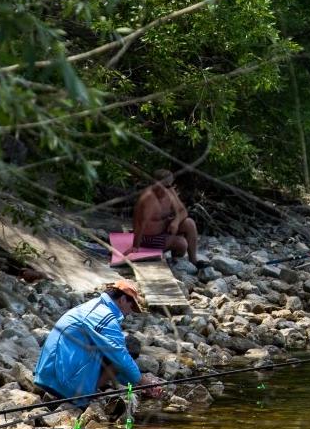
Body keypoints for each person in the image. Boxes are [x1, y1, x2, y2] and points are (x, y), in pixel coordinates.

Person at [33, 280, 161, 406]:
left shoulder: (94, 306)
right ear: (122, 299)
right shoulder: (105, 317)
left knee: (124, 348)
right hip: (62, 382)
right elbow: (120, 358)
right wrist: (144, 382)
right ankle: (84, 396)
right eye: (131, 306)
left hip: (47, 375)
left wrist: (137, 383)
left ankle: (85, 390)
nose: (130, 311)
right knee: (127, 350)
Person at [124, 169, 206, 267]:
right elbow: (140, 224)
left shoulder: (170, 190)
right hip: (147, 238)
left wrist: (176, 221)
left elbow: (183, 211)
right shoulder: (148, 198)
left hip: (164, 230)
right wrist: (135, 247)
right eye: (164, 186)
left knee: (189, 223)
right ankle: (174, 259)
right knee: (182, 243)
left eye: (169, 185)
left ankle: (194, 261)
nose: (167, 189)